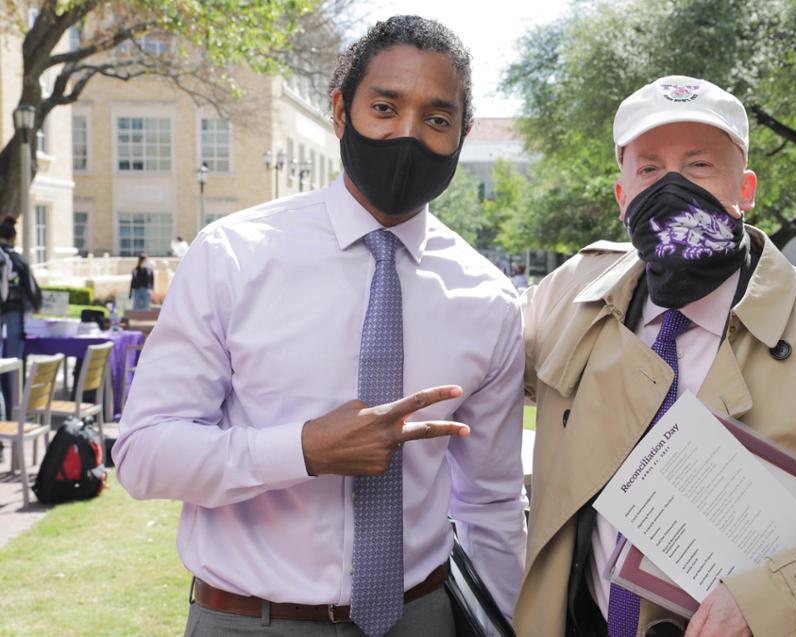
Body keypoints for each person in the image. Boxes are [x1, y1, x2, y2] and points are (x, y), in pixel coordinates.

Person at [113, 15, 527, 637]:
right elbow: (144, 456)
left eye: (436, 120)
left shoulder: (488, 298)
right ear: (340, 112)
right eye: (384, 107)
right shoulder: (233, 254)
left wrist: (507, 622)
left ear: (462, 134)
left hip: (425, 616)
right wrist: (301, 450)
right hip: (251, 620)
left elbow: (490, 503)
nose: (407, 135)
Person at [513, 76, 796, 637]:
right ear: (622, 198)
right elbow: (474, 355)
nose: (671, 191)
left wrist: (772, 602)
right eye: (648, 169)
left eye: (698, 167)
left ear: (745, 189)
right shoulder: (571, 293)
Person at [0, 216, 42, 419]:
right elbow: (30, 286)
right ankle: (17, 411)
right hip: (13, 312)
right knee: (14, 363)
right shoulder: (16, 258)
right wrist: (36, 305)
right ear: (13, 237)